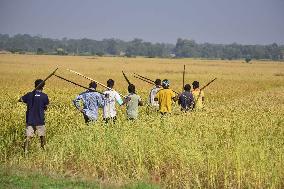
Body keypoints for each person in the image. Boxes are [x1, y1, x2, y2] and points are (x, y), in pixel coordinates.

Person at [19, 79, 49, 153]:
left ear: (35, 85)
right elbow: (46, 106)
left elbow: (20, 99)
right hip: (40, 120)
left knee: (28, 137)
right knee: (42, 136)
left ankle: (25, 151)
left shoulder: (29, 95)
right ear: (43, 87)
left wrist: (29, 99)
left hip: (30, 120)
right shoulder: (44, 96)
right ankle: (44, 150)